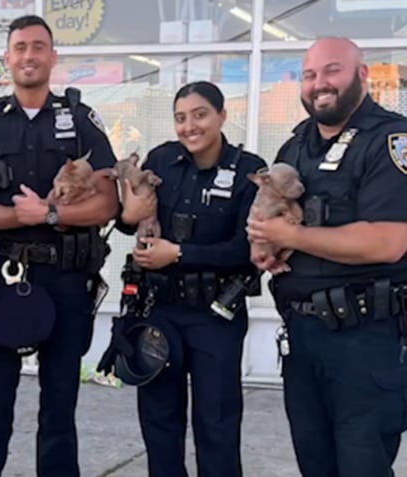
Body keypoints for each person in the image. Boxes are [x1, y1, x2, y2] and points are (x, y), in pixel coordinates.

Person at [0, 15, 119, 476]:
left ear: (52, 57)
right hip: (5, 277)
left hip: (67, 280)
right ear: (6, 58)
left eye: (39, 47)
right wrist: (16, 216)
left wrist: (49, 214)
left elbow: (107, 203)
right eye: (20, 47)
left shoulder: (81, 121)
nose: (29, 55)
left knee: (60, 410)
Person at [247, 37, 407, 477]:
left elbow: (387, 242)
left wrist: (291, 235)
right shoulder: (296, 146)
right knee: (315, 466)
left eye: (332, 71)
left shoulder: (391, 140)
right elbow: (274, 215)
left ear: (362, 74)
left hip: (364, 341)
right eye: (310, 75)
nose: (320, 84)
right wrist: (266, 243)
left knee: (361, 467)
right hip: (303, 336)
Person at [104, 81, 266, 477]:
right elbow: (128, 222)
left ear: (222, 116)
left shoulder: (248, 171)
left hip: (216, 316)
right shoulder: (161, 161)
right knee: (160, 424)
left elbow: (247, 251)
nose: (189, 126)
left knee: (218, 424)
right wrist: (129, 220)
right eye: (180, 118)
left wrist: (177, 254)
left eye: (200, 115)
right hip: (160, 310)